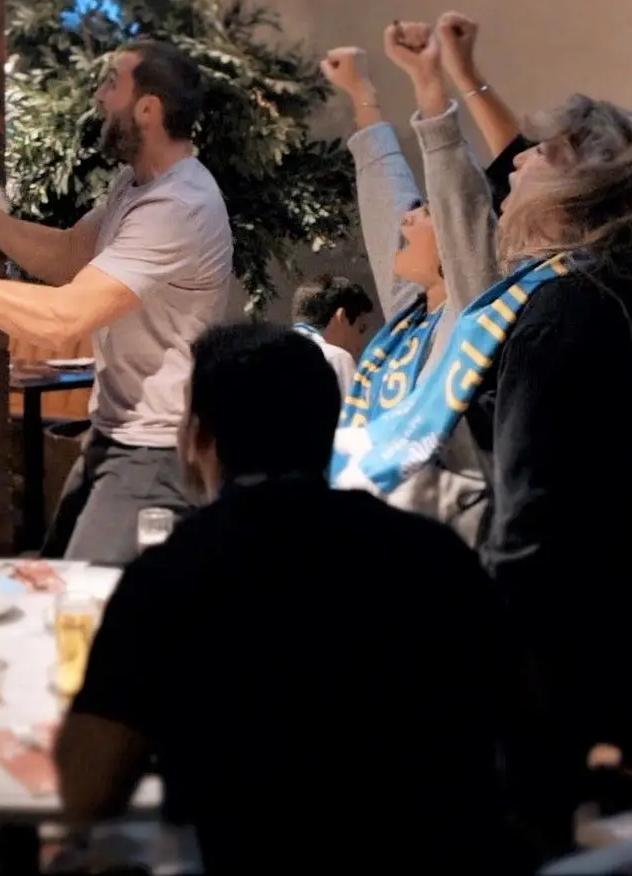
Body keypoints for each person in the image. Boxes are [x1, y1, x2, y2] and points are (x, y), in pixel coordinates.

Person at [397, 95, 632, 853]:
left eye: (539, 152)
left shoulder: (571, 309)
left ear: (581, 187)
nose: (517, 160)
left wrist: (492, 656)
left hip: (550, 633)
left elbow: (534, 512)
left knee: (528, 832)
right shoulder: (616, 295)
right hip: (602, 606)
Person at [55, 322, 532, 873]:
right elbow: (524, 706)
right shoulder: (434, 553)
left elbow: (85, 796)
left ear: (198, 439)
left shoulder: (170, 578)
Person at [0, 40, 232, 564]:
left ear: (148, 108)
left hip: (157, 447)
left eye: (112, 83)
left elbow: (62, 317)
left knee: (78, 608)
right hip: (118, 434)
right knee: (57, 586)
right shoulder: (135, 185)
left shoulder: (178, 204)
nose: (98, 96)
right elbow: (67, 254)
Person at [318, 17, 500, 544]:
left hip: (451, 540)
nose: (405, 217)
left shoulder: (472, 313)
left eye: (422, 212)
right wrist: (361, 93)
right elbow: (384, 193)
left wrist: (429, 83)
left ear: (455, 244)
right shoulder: (411, 320)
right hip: (387, 526)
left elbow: (463, 200)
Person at [289, 273, 374, 395]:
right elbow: (358, 412)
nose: (361, 342)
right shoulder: (334, 359)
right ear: (342, 317)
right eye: (361, 329)